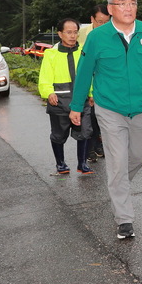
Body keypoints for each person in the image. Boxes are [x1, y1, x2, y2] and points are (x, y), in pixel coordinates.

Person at [69, 0, 142, 240]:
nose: (128, 8)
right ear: (110, 8)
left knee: (138, 157)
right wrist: (76, 106)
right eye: (122, 3)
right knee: (117, 164)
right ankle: (124, 219)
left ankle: (118, 185)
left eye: (132, 3)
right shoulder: (97, 38)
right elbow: (84, 73)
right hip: (110, 109)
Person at [39, 18, 94, 175]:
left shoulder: (84, 51)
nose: (72, 36)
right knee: (58, 134)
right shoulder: (51, 54)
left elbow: (90, 74)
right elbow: (44, 78)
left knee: (84, 132)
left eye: (75, 32)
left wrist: (91, 93)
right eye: (69, 32)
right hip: (59, 101)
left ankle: (82, 164)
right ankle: (61, 164)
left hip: (81, 100)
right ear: (60, 34)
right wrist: (48, 92)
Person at [77, 4, 111, 162]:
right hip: (88, 81)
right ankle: (90, 149)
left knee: (100, 117)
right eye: (99, 22)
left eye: (106, 22)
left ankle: (98, 145)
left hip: (105, 82)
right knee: (88, 117)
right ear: (92, 20)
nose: (102, 26)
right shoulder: (82, 34)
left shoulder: (114, 34)